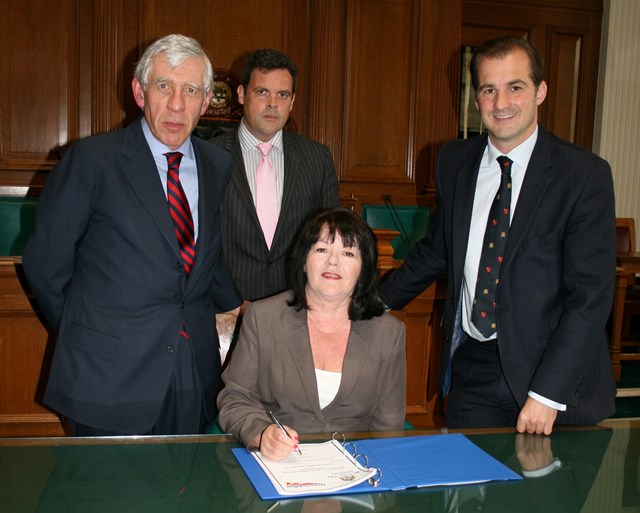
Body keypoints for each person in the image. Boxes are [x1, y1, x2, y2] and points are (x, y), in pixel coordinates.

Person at [379, 36, 616, 435]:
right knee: (465, 488)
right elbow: (437, 252)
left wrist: (546, 394)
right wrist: (372, 304)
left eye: (515, 87)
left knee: (540, 497)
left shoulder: (583, 175)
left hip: (550, 375)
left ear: (540, 92)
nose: (501, 103)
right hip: (474, 367)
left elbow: (590, 297)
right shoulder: (455, 162)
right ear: (476, 99)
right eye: (489, 89)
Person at [22, 34, 242, 436]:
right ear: (139, 92)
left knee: (185, 496)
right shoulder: (91, 160)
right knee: (105, 497)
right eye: (164, 86)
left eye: (190, 90)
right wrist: (88, 332)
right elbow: (46, 265)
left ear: (206, 101)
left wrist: (239, 308)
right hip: (107, 375)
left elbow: (202, 253)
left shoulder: (217, 165)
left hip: (192, 371)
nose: (177, 104)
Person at [217, 208, 406, 460]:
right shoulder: (264, 318)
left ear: (364, 269)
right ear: (304, 260)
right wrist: (263, 433)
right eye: (321, 249)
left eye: (348, 253)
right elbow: (235, 398)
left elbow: (388, 426)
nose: (333, 262)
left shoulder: (389, 333)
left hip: (355, 467)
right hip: (280, 463)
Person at [210, 48, 340, 302]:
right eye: (262, 92)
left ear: (292, 101)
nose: (272, 103)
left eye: (282, 95)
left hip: (295, 310)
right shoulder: (209, 157)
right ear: (241, 94)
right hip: (224, 310)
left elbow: (331, 239)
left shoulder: (317, 158)